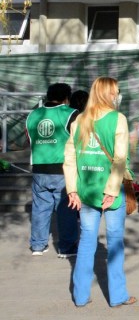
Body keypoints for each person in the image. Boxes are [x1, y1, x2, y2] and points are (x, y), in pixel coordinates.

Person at [63, 77, 136, 307]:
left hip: (86, 190)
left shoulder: (80, 119)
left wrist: (72, 190)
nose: (117, 95)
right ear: (109, 93)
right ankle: (118, 296)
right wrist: (112, 190)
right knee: (114, 242)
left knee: (86, 241)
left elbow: (70, 158)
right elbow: (120, 158)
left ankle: (80, 296)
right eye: (116, 91)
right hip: (110, 191)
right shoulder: (118, 119)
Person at [26, 83, 79, 257]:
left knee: (40, 208)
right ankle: (66, 247)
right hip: (63, 169)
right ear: (66, 98)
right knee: (66, 209)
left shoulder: (33, 115)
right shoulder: (71, 113)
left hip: (39, 168)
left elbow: (29, 140)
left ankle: (38, 246)